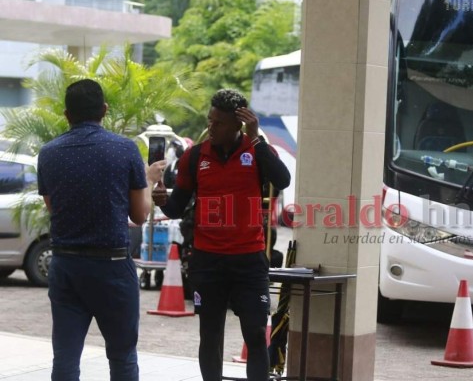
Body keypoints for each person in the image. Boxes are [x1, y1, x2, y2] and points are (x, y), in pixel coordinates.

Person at [152, 89, 290, 381]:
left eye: (219, 123)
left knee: (255, 334)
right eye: (210, 120)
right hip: (208, 261)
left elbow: (283, 179)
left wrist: (257, 138)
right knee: (210, 335)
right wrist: (164, 199)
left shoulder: (256, 150)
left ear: (239, 125)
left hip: (249, 261)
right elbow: (178, 207)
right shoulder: (194, 156)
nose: (211, 127)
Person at [37, 79, 166, 381]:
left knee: (66, 359)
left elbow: (53, 208)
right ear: (104, 110)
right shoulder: (125, 149)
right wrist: (148, 179)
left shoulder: (49, 153)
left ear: (67, 114)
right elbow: (140, 213)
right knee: (122, 357)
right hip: (111, 268)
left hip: (66, 265)